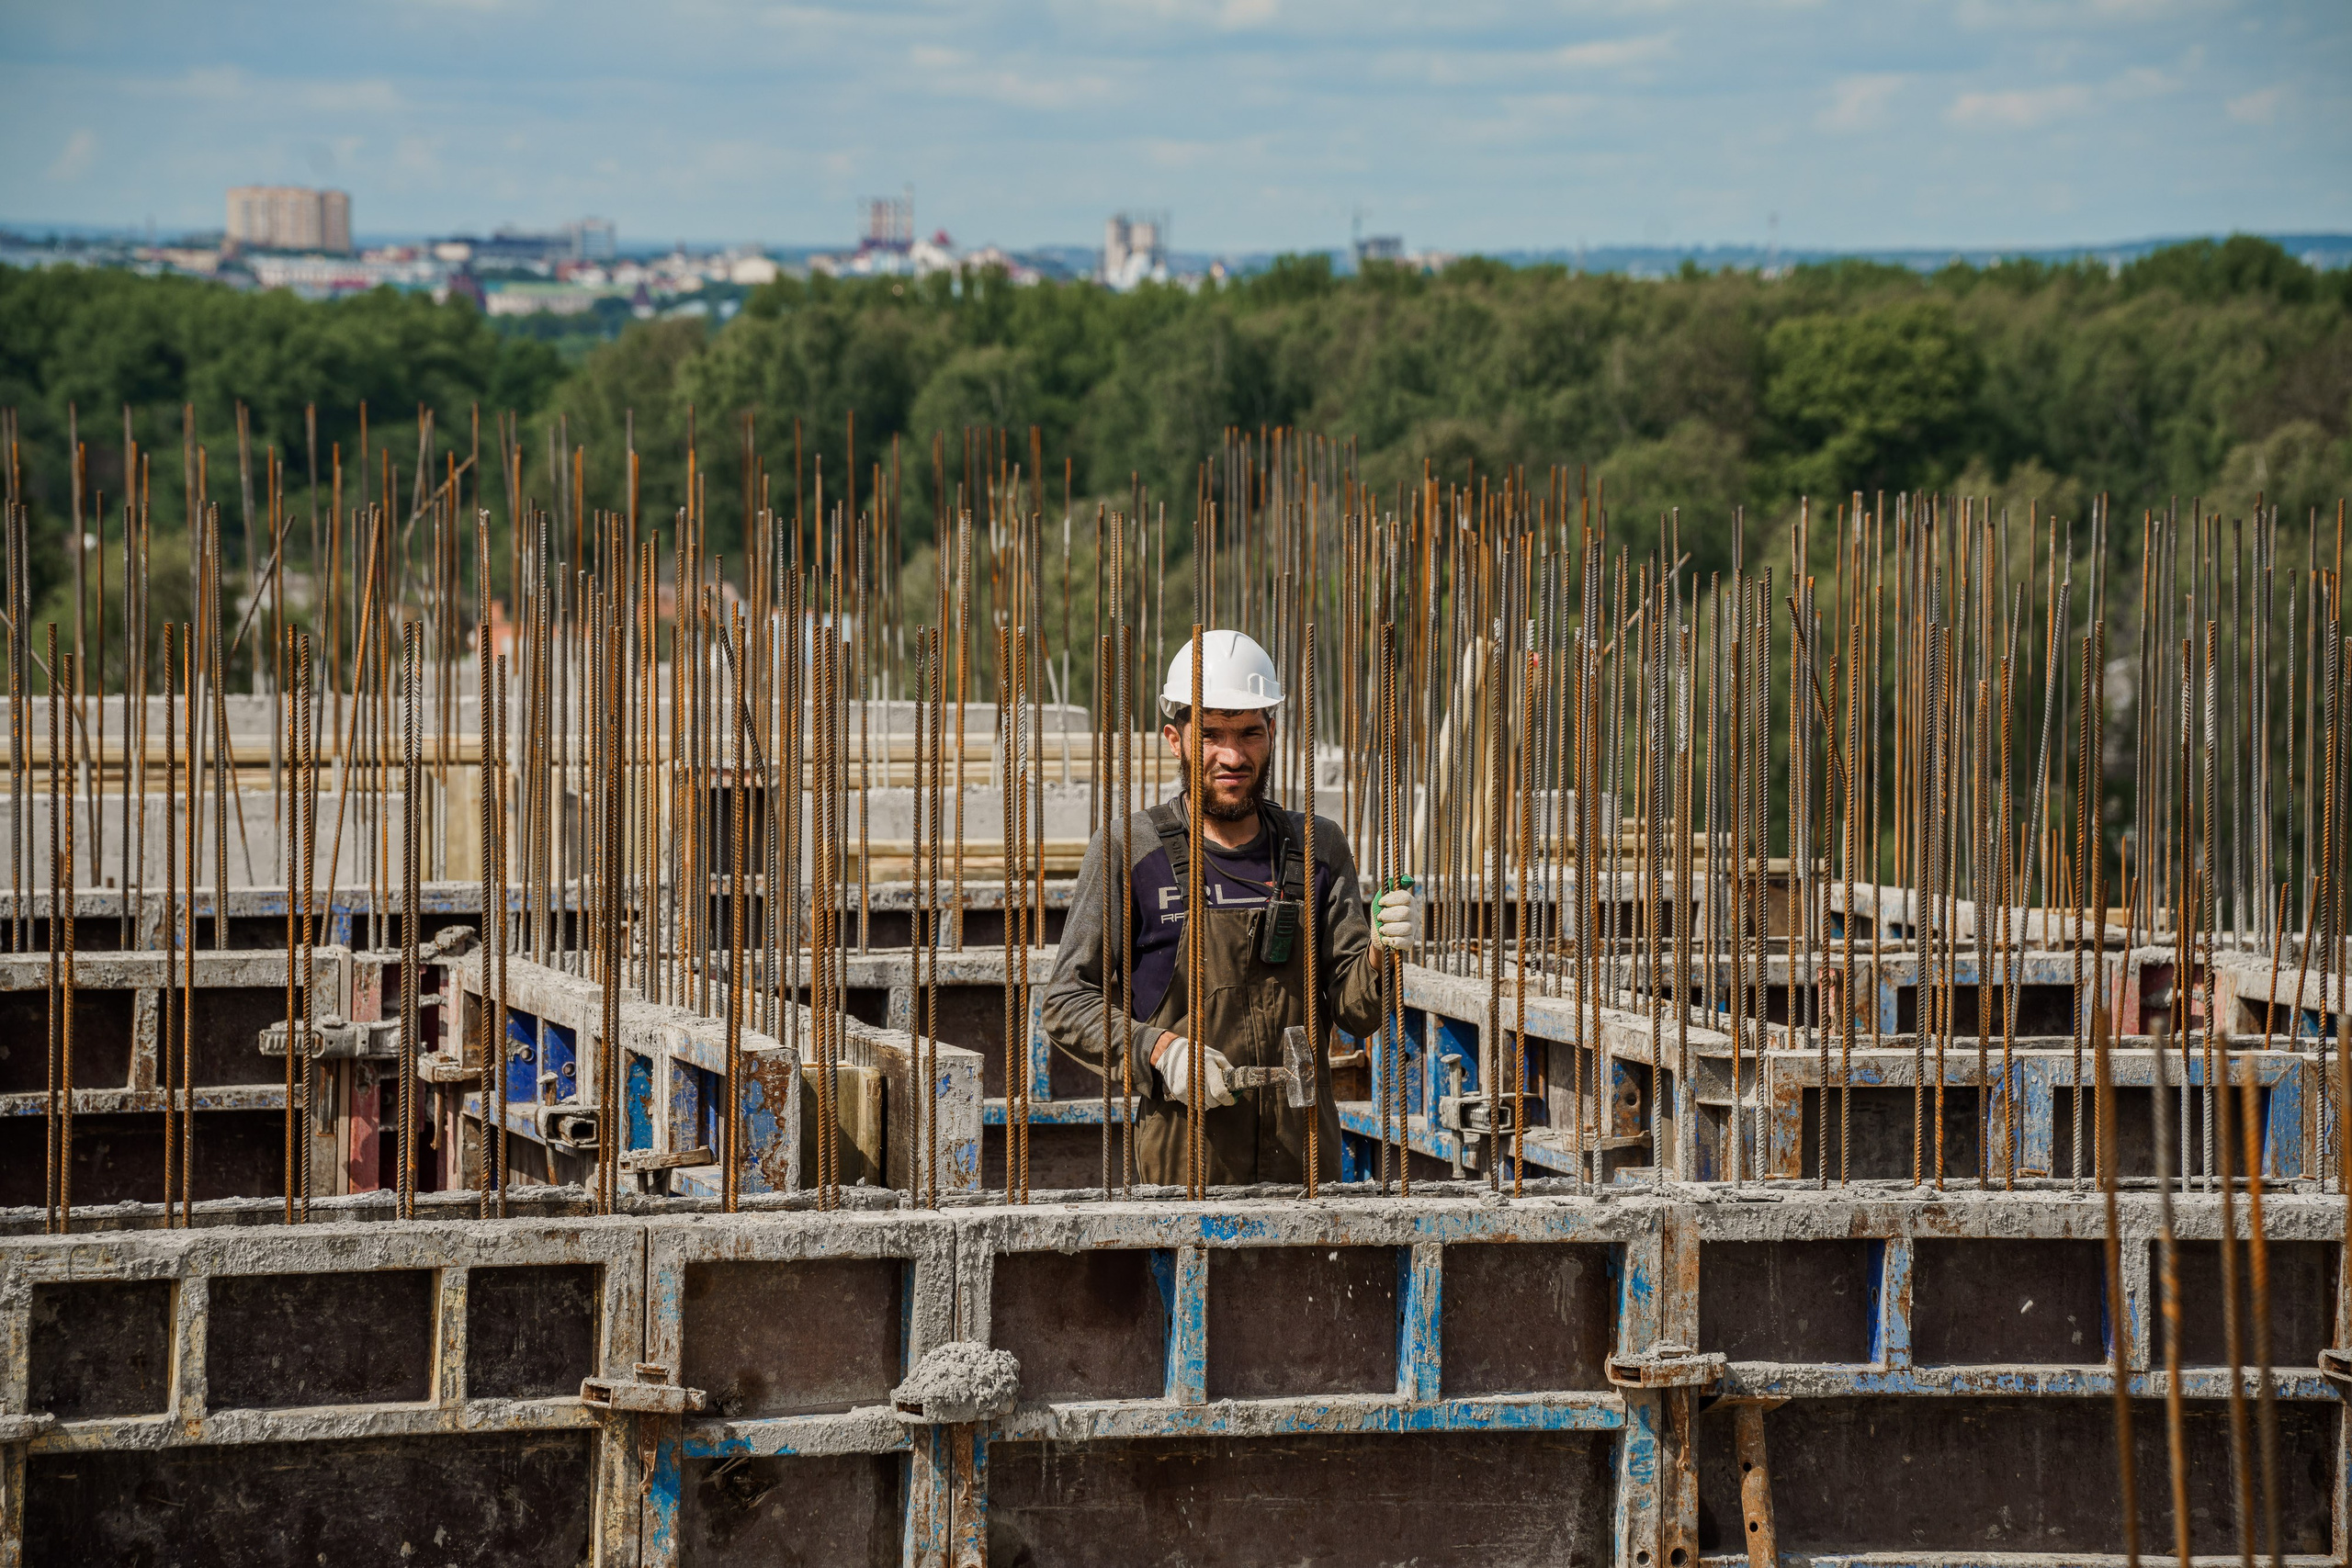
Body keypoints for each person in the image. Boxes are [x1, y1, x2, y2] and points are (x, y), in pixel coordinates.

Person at [1042, 629, 1418, 1187]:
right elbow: (1066, 1002)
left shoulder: (1316, 847)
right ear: (1175, 739)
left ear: (1273, 733)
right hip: (1184, 1172)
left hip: (1305, 1170)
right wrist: (1159, 1050)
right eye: (1212, 734)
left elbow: (1356, 1013)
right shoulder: (1131, 849)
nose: (1232, 755)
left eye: (1249, 733)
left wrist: (1381, 958)